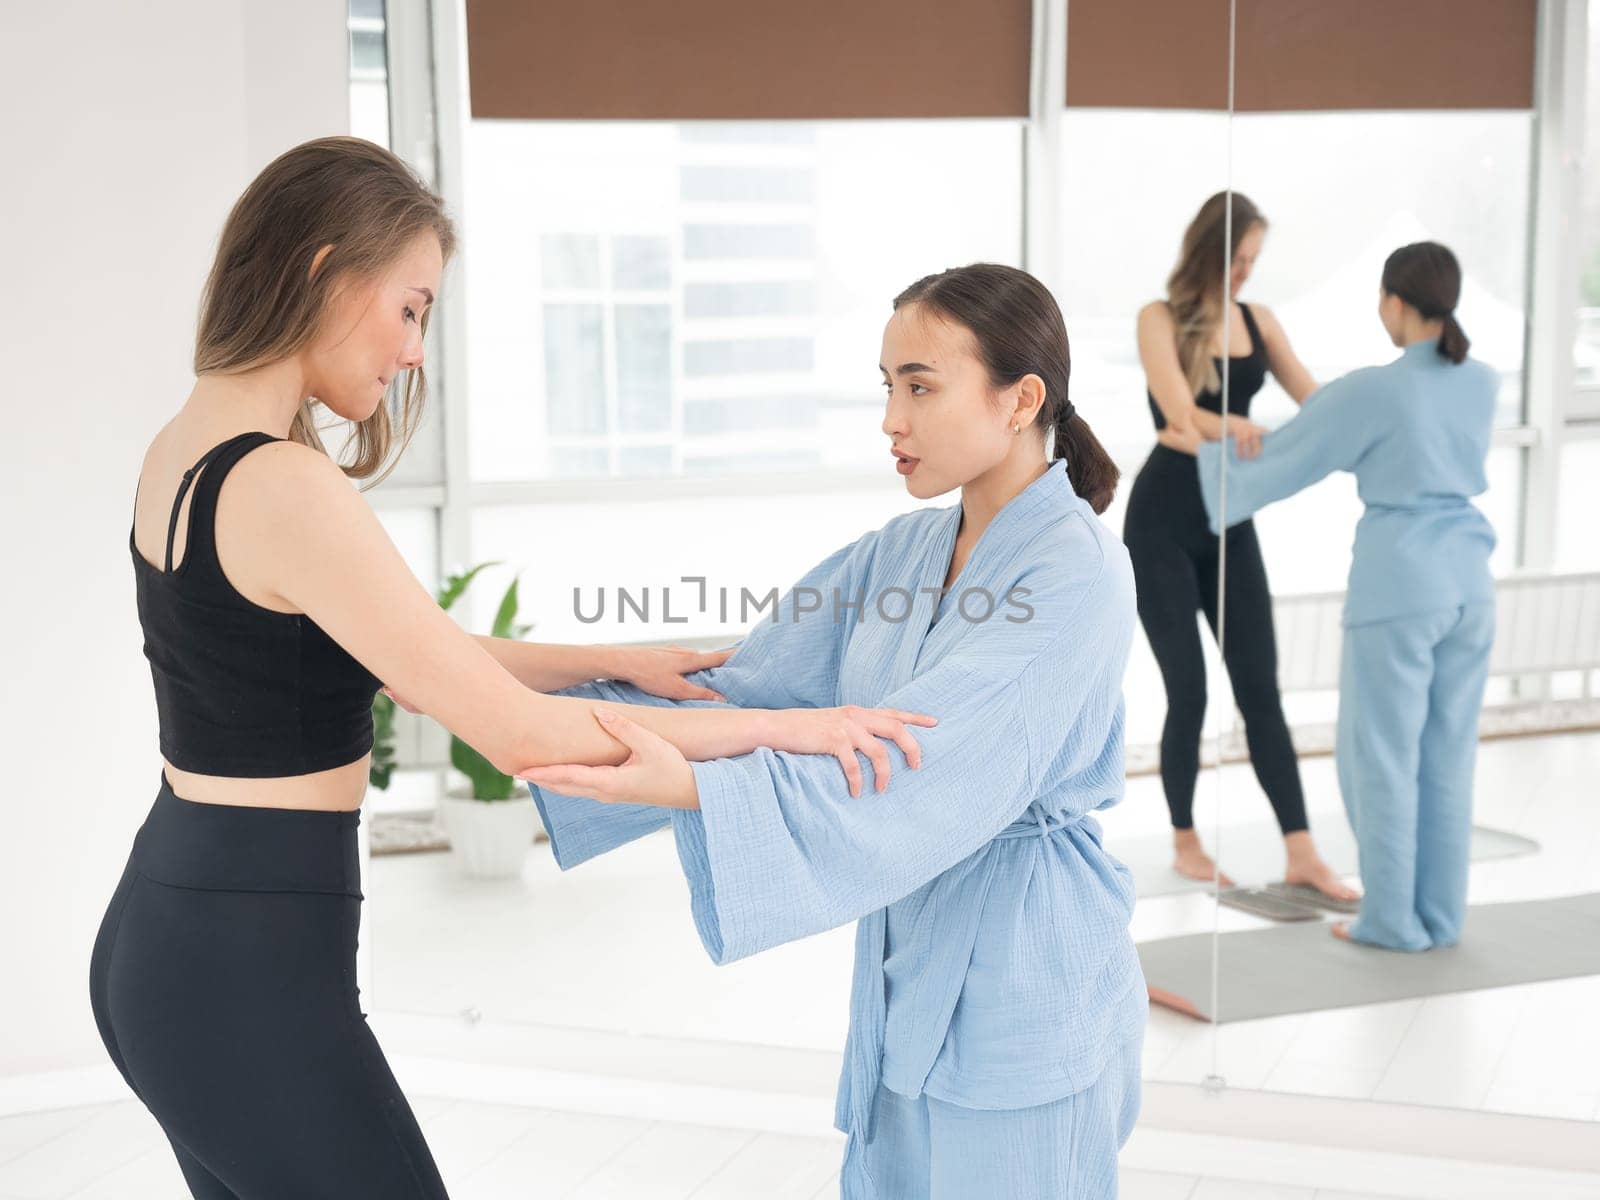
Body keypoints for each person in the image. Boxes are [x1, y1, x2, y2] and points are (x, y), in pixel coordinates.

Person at [89, 136, 930, 1200]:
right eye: (410, 307)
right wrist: (786, 726)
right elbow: (521, 741)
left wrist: (616, 661)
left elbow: (383, 649)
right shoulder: (283, 484)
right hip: (247, 965)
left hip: (167, 927)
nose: (412, 352)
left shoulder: (185, 448)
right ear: (321, 269)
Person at [525, 264, 1148, 1199]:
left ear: (1021, 400)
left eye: (921, 387)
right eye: (888, 387)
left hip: (1029, 964)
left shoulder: (1079, 573)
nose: (893, 421)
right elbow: (744, 696)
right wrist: (542, 708)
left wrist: (689, 784)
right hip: (909, 957)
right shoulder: (897, 555)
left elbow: (920, 762)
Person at [1177, 241, 1497, 952]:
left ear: (1395, 303)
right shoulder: (1483, 381)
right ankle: (1439, 919)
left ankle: (1390, 920)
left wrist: (1204, 450)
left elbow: (1295, 451)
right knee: (1448, 756)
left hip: (1401, 587)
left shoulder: (1377, 388)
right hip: (1472, 584)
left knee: (1378, 758)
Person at [1126, 191, 1357, 902]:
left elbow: (1313, 397)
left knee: (1260, 686)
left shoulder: (1260, 321)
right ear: (1208, 252)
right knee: (1189, 690)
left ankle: (1302, 853)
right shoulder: (1159, 319)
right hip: (1163, 518)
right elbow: (1180, 412)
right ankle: (1187, 840)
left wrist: (1366, 410)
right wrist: (1234, 429)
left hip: (1230, 516)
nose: (1247, 273)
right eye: (1238, 258)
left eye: (1255, 259)